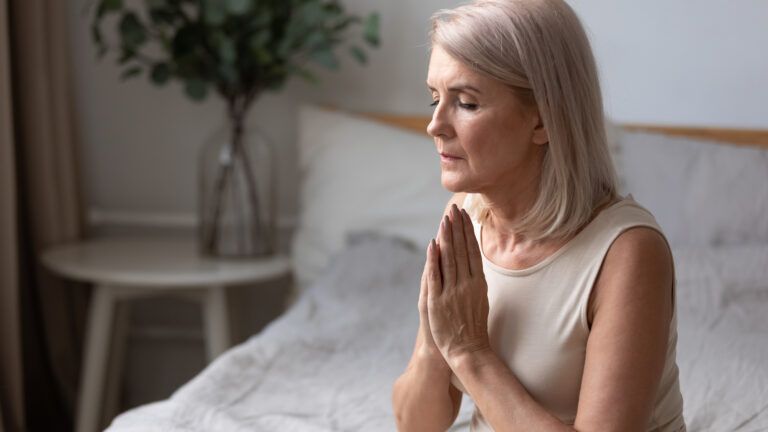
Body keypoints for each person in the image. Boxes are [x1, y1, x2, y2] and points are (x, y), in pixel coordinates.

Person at [391, 0, 686, 431]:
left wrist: (469, 351)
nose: (434, 124)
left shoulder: (627, 253)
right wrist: (434, 340)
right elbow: (417, 425)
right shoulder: (464, 215)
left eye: (467, 103)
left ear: (543, 120)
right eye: (435, 98)